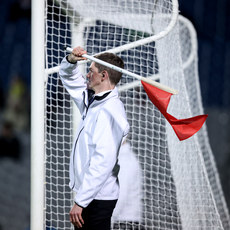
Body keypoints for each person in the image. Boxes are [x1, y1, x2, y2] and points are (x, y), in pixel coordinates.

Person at [59, 46, 129, 229]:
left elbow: (103, 161)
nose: (87, 75)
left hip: (97, 198)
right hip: (91, 195)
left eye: (91, 71)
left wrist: (81, 202)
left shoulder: (109, 111)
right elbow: (68, 77)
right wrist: (71, 60)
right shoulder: (92, 100)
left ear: (103, 75)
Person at [112, 141, 143, 230]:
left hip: (125, 223)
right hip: (123, 222)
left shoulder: (125, 161)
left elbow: (120, 196)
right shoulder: (121, 158)